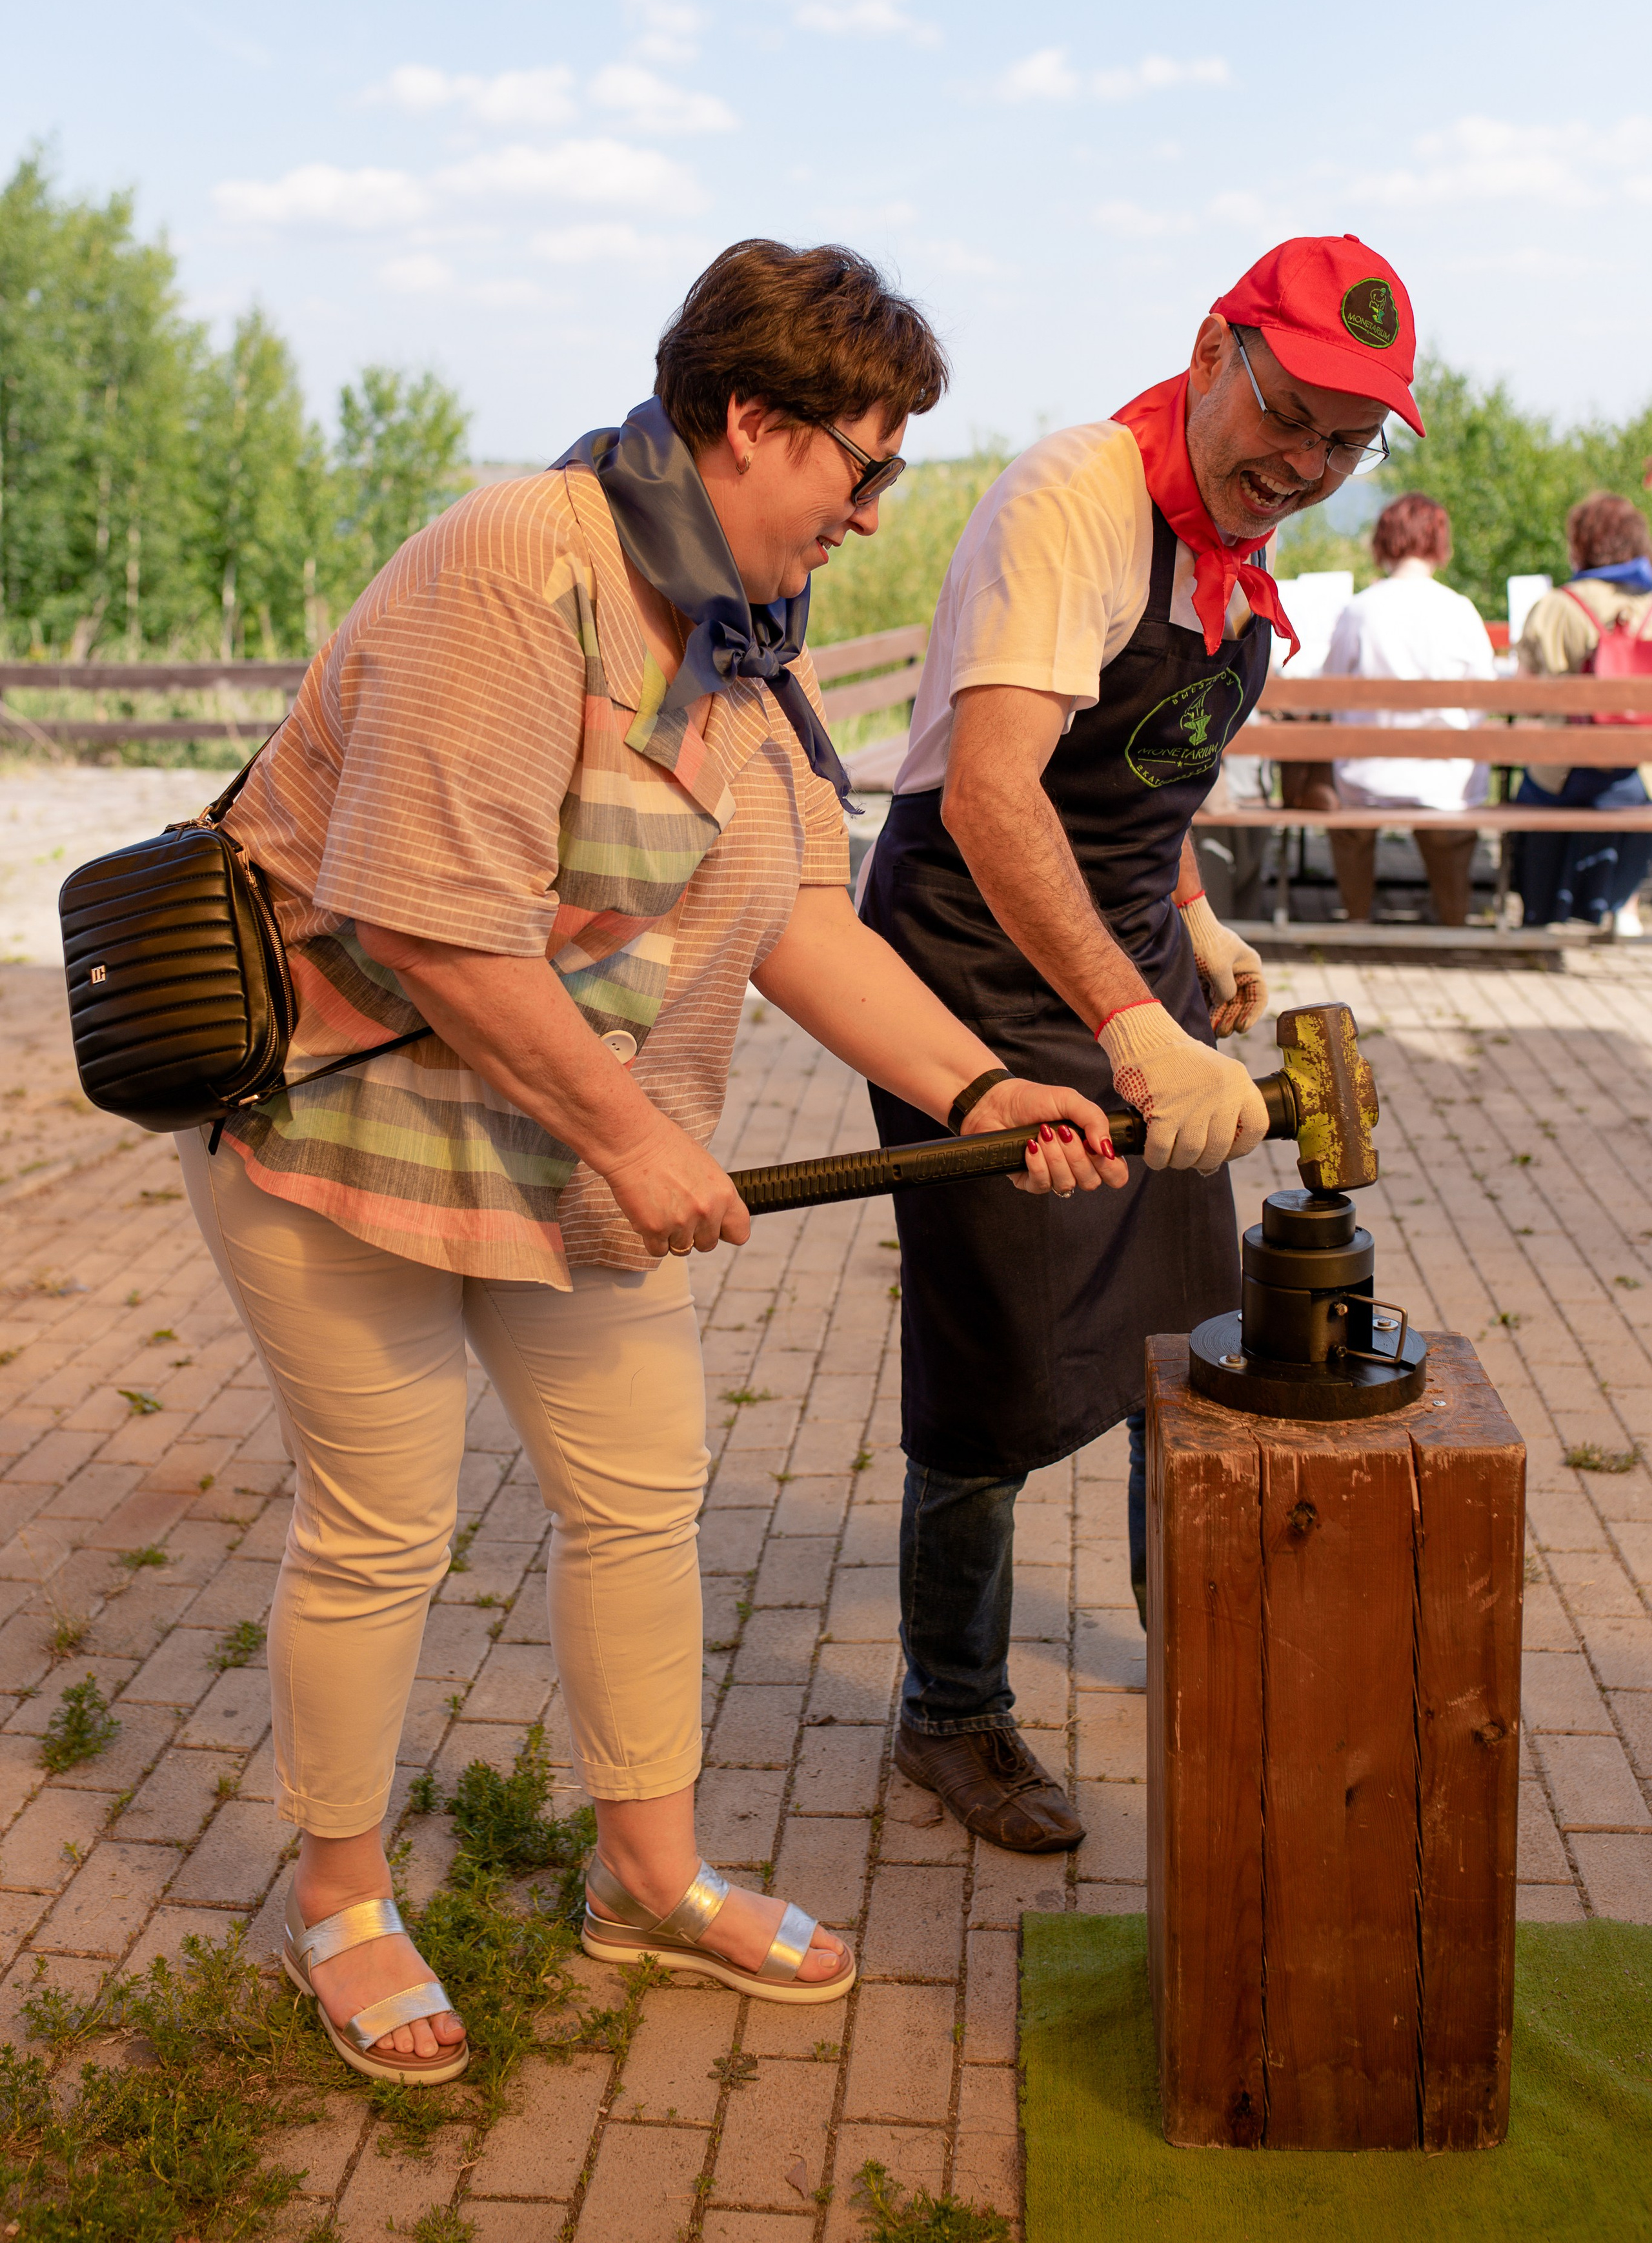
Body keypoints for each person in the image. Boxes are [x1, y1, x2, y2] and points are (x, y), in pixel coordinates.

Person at [176, 240, 1123, 2081]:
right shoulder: (517, 565)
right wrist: (630, 1127)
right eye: (865, 464)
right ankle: (344, 1907)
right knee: (384, 1530)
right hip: (340, 1128)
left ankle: (650, 1879)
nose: (873, 508)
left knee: (641, 1498)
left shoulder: (743, 649)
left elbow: (794, 925)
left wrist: (982, 1092)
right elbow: (435, 926)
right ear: (750, 423)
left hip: (558, 1163)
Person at [860, 235, 1420, 1854]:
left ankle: (1188, 1638)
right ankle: (948, 1707)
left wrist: (1197, 918)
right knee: (994, 1360)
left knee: (1177, 1333)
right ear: (1207, 347)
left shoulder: (1224, 553)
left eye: (1343, 442)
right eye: (1287, 412)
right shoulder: (1074, 499)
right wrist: (1132, 1022)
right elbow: (991, 790)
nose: (1301, 465)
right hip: (969, 963)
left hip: (1120, 955)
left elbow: (1140, 768)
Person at [1322, 493, 1496, 926]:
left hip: (1366, 779)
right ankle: (1454, 917)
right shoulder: (1460, 610)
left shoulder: (1360, 609)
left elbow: (1327, 689)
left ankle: (1358, 917)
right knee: (1450, 829)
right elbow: (1485, 700)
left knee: (1350, 826)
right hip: (1445, 783)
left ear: (1384, 541)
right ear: (1439, 542)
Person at [1514, 492, 1652, 932]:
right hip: (1636, 776)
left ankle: (1541, 910)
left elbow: (1522, 699)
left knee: (1534, 790)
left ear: (1581, 543)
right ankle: (1622, 906)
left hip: (1564, 774)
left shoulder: (1557, 604)